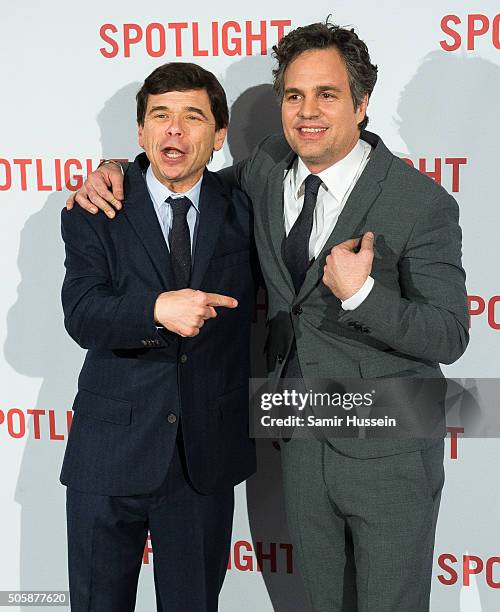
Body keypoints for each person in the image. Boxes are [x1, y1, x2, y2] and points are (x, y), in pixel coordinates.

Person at [69, 19, 469, 612]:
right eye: (293, 95)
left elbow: (451, 333)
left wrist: (363, 297)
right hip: (301, 439)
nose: (307, 111)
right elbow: (184, 177)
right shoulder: (263, 172)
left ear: (362, 104)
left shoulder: (421, 201)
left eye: (327, 95)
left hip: (390, 445)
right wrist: (120, 172)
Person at [60, 62, 257, 612]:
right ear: (142, 133)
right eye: (160, 116)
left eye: (192, 116)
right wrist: (155, 310)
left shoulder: (245, 207)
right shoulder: (96, 208)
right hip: (108, 454)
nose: (174, 129)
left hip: (203, 457)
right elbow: (82, 313)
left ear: (218, 136)